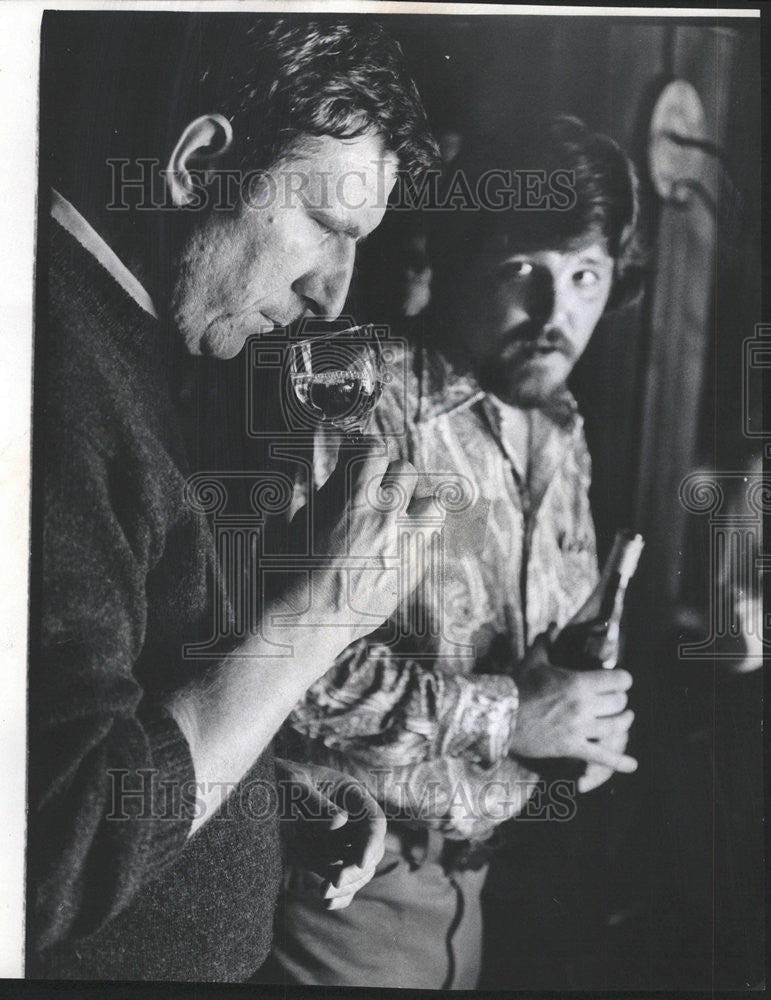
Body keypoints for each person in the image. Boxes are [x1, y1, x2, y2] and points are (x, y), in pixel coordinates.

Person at [27, 14, 440, 981]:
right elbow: (48, 857)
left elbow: (132, 720)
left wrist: (263, 801)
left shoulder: (127, 345)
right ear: (199, 163)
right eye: (327, 229)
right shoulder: (52, 373)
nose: (334, 295)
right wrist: (317, 619)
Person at [268, 115, 644, 989]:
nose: (559, 315)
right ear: (459, 253)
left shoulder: (558, 431)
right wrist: (512, 715)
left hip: (476, 891)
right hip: (347, 891)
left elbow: (545, 670)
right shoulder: (355, 397)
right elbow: (286, 669)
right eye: (525, 270)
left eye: (585, 276)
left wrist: (577, 722)